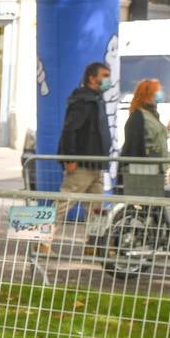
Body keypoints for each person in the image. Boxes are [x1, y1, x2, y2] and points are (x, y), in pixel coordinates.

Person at [50, 61, 113, 254]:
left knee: (97, 208)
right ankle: (42, 240)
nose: (108, 80)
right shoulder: (83, 101)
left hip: (96, 164)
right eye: (105, 75)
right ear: (92, 78)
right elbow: (70, 130)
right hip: (82, 164)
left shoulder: (96, 99)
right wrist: (70, 159)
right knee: (64, 202)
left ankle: (93, 244)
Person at [119, 78, 168, 199]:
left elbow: (156, 139)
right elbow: (134, 146)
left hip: (155, 171)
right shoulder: (138, 116)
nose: (161, 93)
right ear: (149, 94)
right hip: (146, 172)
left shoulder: (151, 115)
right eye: (158, 90)